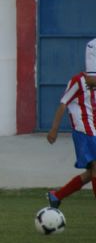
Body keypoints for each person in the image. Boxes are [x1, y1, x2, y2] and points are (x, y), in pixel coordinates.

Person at [46, 38, 96, 208]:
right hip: (84, 131)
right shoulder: (78, 81)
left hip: (94, 132)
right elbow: (63, 103)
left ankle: (57, 196)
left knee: (90, 174)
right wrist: (54, 129)